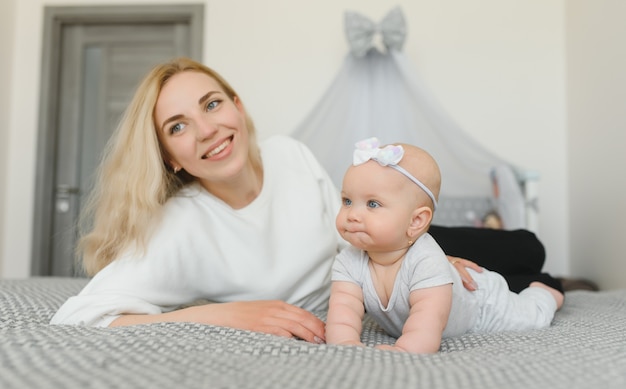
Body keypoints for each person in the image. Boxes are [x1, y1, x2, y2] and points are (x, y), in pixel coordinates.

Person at [50, 57, 579, 344]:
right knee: (534, 273)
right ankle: (548, 292)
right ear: (169, 157)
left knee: (525, 248)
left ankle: (548, 287)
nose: (208, 129)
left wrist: (423, 257)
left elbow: (344, 229)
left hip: (369, 258)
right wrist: (222, 315)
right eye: (179, 126)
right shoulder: (179, 227)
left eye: (213, 104)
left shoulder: (288, 153)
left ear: (237, 105)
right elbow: (78, 318)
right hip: (353, 290)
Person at [325, 138, 564, 354]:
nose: (352, 214)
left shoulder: (426, 260)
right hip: (460, 294)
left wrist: (406, 349)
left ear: (415, 221)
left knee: (532, 317)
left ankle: (546, 293)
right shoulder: (349, 260)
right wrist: (344, 343)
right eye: (347, 201)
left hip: (481, 304)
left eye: (372, 204)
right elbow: (343, 310)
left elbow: (428, 321)